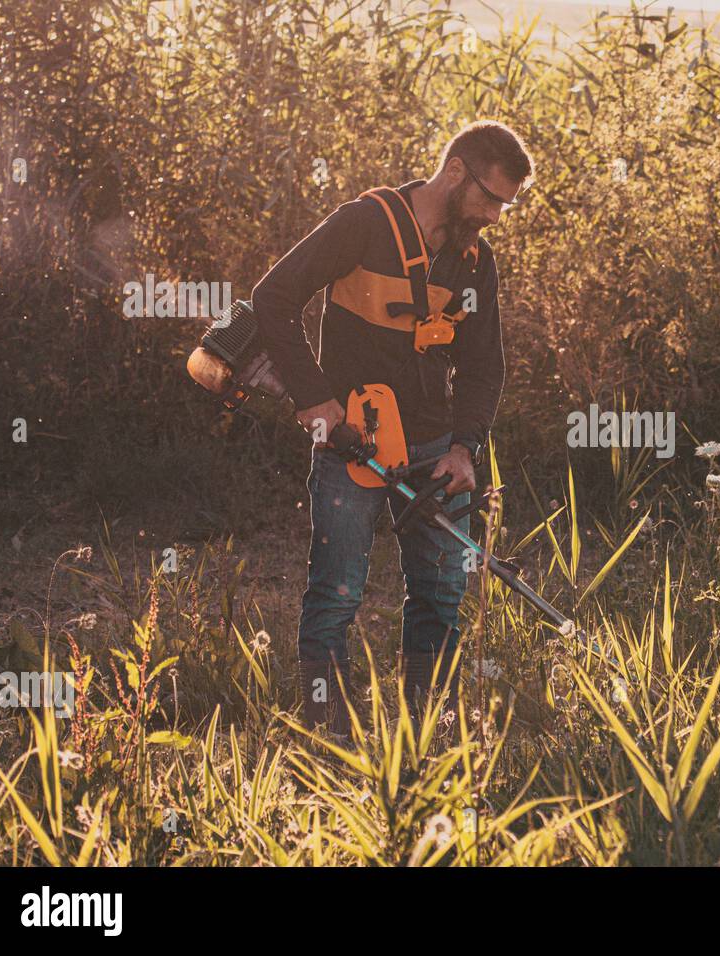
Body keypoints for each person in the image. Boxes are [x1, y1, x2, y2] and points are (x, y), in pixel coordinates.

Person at [251, 120, 534, 735]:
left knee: (441, 596)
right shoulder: (365, 222)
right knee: (337, 594)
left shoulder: (474, 262)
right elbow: (273, 297)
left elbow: (485, 367)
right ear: (455, 170)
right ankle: (326, 734)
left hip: (435, 452)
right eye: (491, 198)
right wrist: (316, 399)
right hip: (351, 441)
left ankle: (426, 731)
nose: (494, 215)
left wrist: (464, 450)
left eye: (505, 206)